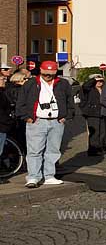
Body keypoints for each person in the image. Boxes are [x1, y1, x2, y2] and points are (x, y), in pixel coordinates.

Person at [15, 59, 73, 188]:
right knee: (34, 150)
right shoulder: (30, 84)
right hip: (37, 121)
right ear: (41, 70)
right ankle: (33, 177)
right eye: (46, 73)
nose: (48, 76)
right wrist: (27, 117)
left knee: (53, 150)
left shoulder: (63, 84)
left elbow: (70, 101)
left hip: (56, 121)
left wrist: (66, 116)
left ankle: (49, 176)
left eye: (51, 73)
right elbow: (21, 102)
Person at [80, 75, 105, 155]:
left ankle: (100, 147)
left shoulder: (103, 89)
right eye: (97, 81)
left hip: (102, 112)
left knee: (102, 132)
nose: (99, 83)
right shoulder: (89, 89)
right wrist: (94, 79)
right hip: (92, 113)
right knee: (95, 132)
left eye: (101, 81)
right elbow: (85, 86)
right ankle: (93, 150)